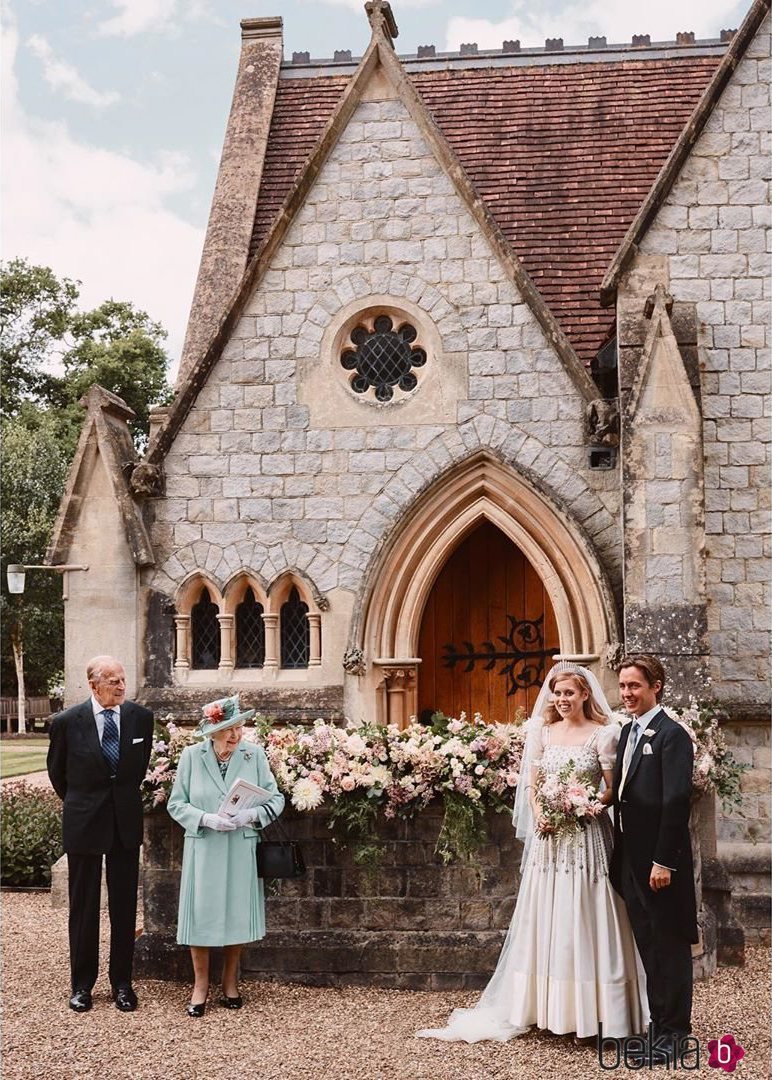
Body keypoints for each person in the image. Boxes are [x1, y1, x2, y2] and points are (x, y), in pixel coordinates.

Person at [418, 663, 647, 1043]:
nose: (562, 699)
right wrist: (543, 814)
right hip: (549, 840)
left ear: (585, 694)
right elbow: (532, 785)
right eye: (557, 693)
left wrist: (585, 806)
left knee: (588, 911)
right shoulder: (542, 732)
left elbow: (611, 788)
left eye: (569, 693)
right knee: (550, 912)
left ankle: (597, 1010)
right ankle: (546, 1007)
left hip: (586, 836)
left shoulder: (604, 734)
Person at [47, 656, 154, 1013]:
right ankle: (82, 986)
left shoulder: (142, 718)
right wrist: (85, 804)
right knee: (84, 907)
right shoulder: (65, 723)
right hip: (83, 822)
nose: (121, 686)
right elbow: (57, 775)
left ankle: (122, 983)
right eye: (113, 681)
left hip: (125, 823)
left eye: (123, 680)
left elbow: (136, 770)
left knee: (124, 907)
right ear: (93, 686)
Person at [167, 695, 285, 1017]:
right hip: (204, 845)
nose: (235, 735)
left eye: (239, 727)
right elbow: (176, 804)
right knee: (200, 916)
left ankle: (230, 981)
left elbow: (276, 801)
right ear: (212, 731)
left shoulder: (254, 755)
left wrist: (251, 816)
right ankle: (200, 985)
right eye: (228, 729)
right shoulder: (191, 756)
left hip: (240, 844)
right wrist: (205, 819)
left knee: (236, 912)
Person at [610, 654, 697, 1064]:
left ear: (655, 686)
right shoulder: (628, 732)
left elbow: (677, 801)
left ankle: (675, 1036)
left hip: (660, 866)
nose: (627, 694)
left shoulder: (672, 735)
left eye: (634, 687)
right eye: (623, 686)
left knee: (669, 946)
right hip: (632, 860)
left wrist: (664, 861)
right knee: (649, 947)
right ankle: (657, 1028)